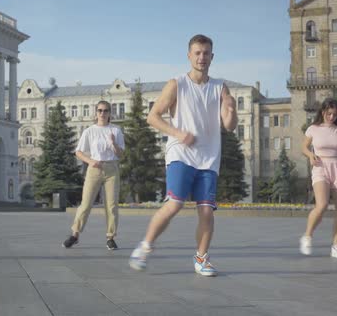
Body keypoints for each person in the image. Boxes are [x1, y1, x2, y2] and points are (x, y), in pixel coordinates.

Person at [128, 34, 237, 276]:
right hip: (181, 154)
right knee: (175, 203)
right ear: (189, 55)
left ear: (212, 56)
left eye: (206, 53)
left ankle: (201, 258)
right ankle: (145, 247)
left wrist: (231, 109)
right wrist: (178, 133)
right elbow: (153, 116)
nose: (202, 57)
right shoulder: (176, 83)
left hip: (209, 157)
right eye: (197, 53)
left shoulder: (220, 87)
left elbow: (229, 125)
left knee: (207, 211)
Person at [299, 98, 337, 259]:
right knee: (322, 204)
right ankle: (307, 235)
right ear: (323, 112)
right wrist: (311, 155)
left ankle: (336, 246)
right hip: (320, 167)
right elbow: (304, 147)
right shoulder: (313, 128)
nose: (331, 117)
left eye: (335, 114)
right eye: (329, 113)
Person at [62, 100, 125, 250]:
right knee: (86, 203)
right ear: (96, 113)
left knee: (111, 205)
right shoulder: (89, 131)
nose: (102, 113)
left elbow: (121, 153)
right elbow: (78, 152)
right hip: (94, 168)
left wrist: (114, 143)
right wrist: (90, 161)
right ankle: (75, 235)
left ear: (110, 113)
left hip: (111, 169)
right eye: (100, 110)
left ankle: (110, 237)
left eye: (106, 111)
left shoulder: (116, 130)